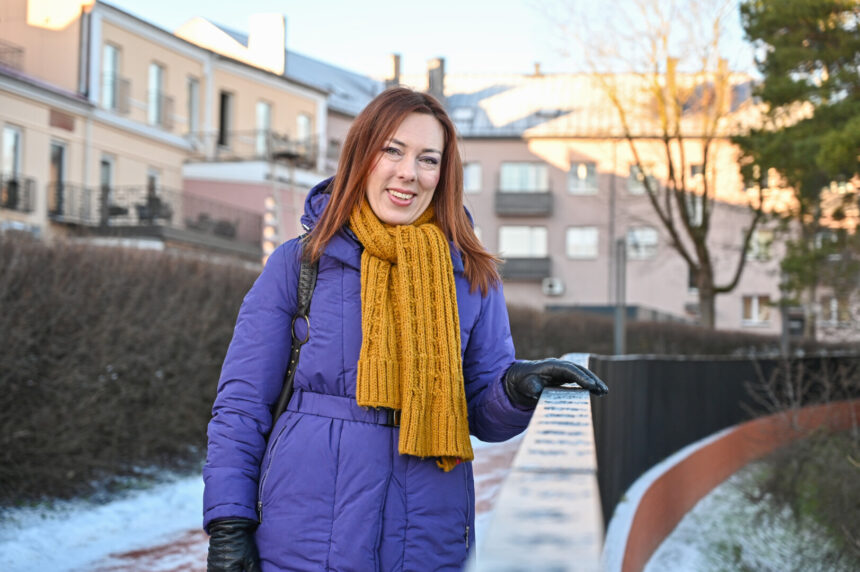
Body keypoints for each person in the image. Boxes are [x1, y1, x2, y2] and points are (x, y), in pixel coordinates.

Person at [203, 87, 608, 572]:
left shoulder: (473, 275)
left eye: (428, 160)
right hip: (302, 536)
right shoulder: (301, 263)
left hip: (425, 533)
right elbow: (242, 405)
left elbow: (481, 413)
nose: (408, 173)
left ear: (444, 174)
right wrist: (229, 523)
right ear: (361, 155)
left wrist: (516, 389)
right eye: (392, 150)